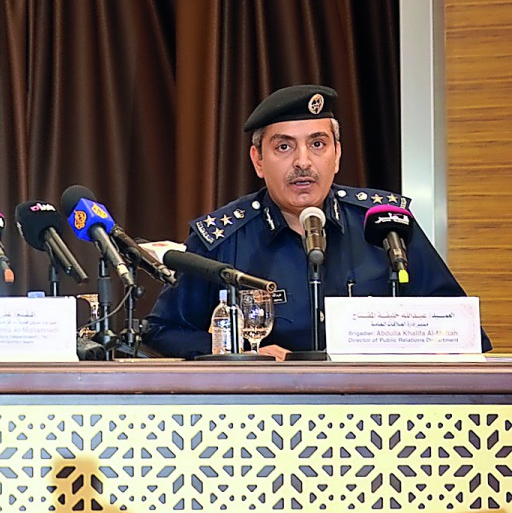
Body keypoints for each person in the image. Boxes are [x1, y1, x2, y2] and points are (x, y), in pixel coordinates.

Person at [144, 84, 491, 359]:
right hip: (263, 417)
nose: (303, 162)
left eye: (318, 144)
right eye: (284, 147)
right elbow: (163, 330)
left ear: (337, 154)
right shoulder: (221, 239)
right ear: (258, 160)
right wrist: (244, 355)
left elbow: (463, 330)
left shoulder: (388, 224)